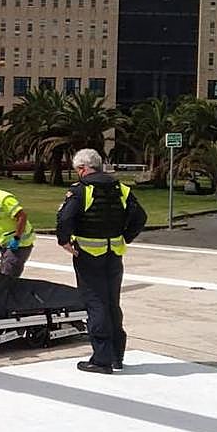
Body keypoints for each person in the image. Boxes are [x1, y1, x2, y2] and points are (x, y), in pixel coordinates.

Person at [56, 149, 147, 374]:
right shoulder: (121, 188)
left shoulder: (81, 190)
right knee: (112, 302)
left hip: (88, 255)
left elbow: (65, 218)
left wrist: (64, 241)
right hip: (114, 254)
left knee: (95, 303)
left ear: (82, 168)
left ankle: (101, 359)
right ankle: (117, 356)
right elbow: (140, 217)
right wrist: (125, 237)